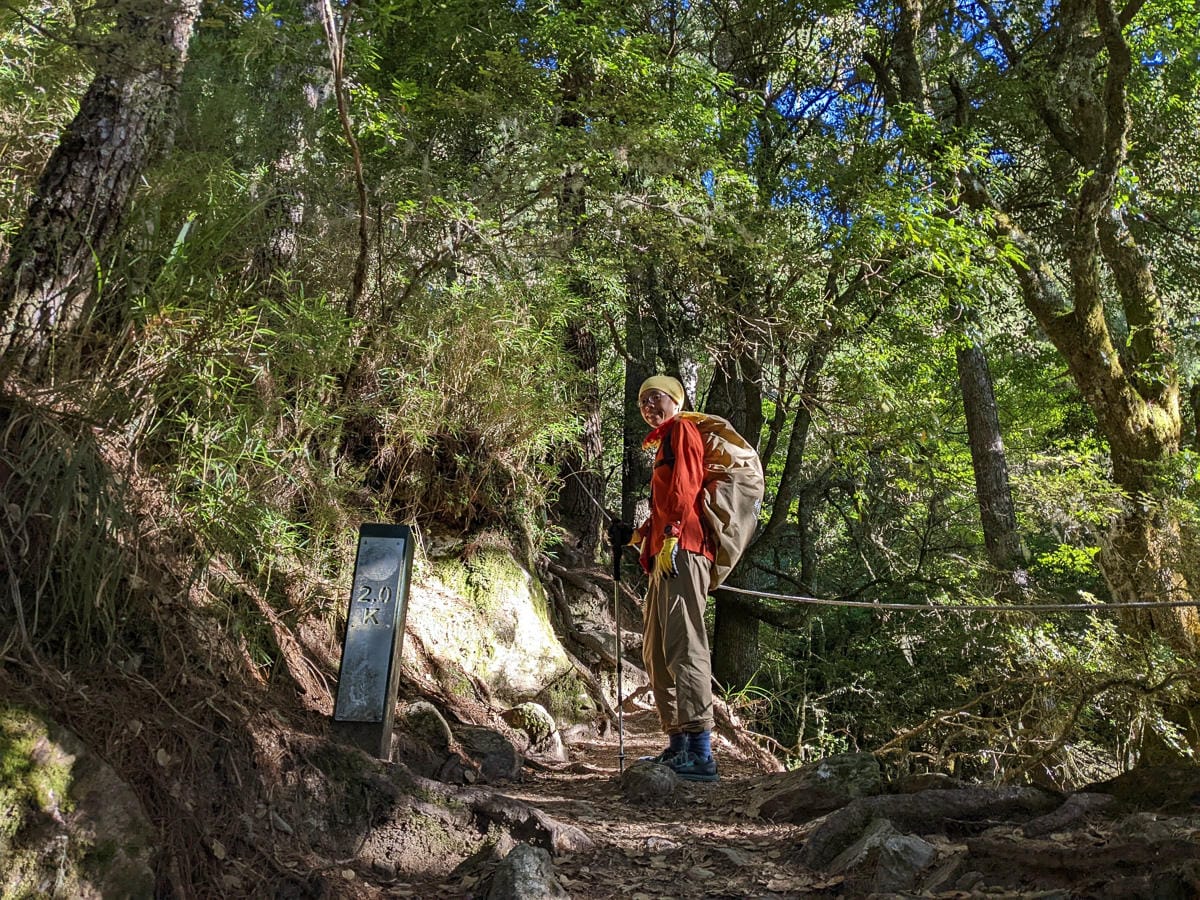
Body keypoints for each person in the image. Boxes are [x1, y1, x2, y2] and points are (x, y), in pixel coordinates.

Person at [609, 374, 718, 782]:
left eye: (656, 398)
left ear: (675, 400)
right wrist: (635, 536)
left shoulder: (682, 430)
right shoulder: (663, 442)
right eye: (643, 402)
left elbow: (686, 489)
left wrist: (671, 535)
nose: (649, 407)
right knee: (656, 652)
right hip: (663, 556)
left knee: (684, 645)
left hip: (684, 550)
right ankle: (677, 745)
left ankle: (701, 753)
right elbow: (662, 507)